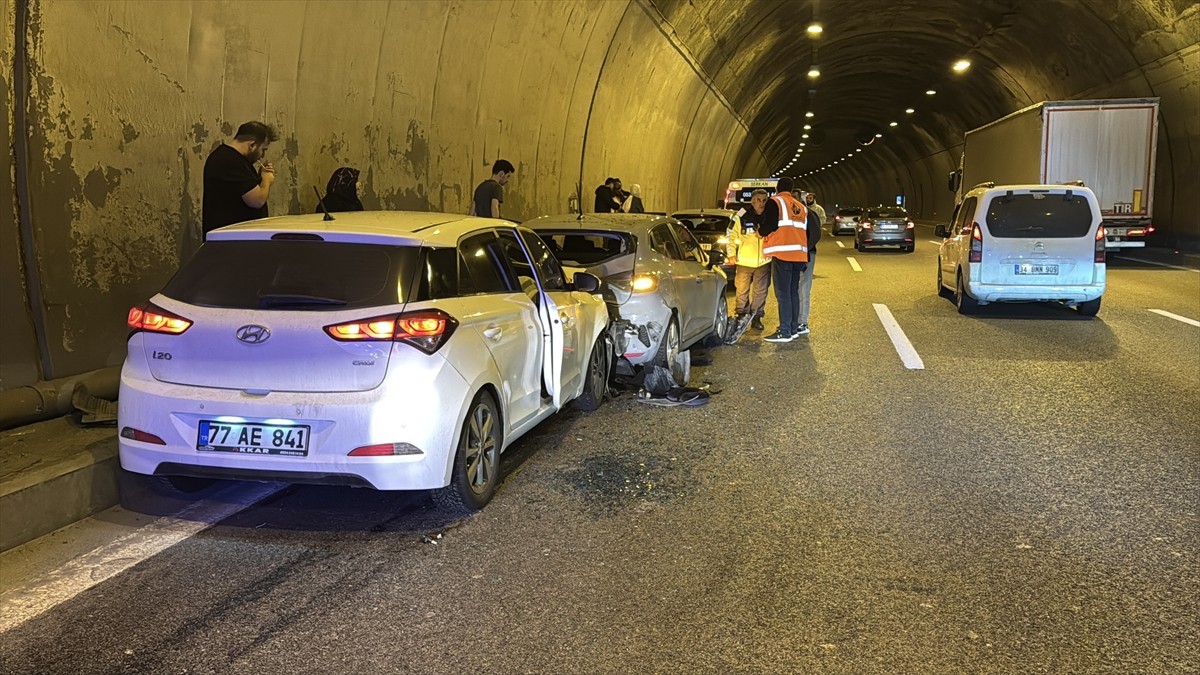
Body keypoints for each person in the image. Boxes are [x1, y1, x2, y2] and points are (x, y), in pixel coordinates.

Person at [202, 121, 280, 238]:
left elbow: (242, 189)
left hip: (234, 239)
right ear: (252, 145)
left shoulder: (232, 159)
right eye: (263, 149)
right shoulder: (231, 161)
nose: (262, 156)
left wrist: (259, 178)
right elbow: (256, 200)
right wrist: (266, 180)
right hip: (231, 242)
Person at [757, 177, 809, 343]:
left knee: (783, 294)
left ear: (777, 188)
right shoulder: (800, 207)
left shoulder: (775, 202)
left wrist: (760, 233)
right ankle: (793, 328)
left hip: (782, 254)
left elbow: (771, 224)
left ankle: (784, 331)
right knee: (793, 292)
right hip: (799, 255)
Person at [726, 189, 772, 334]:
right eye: (759, 200)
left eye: (765, 200)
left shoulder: (770, 217)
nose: (762, 203)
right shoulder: (741, 215)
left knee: (761, 291)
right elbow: (730, 236)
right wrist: (731, 254)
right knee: (741, 290)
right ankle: (741, 314)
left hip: (764, 262)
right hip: (744, 261)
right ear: (752, 201)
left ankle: (756, 317)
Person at [793, 190, 824, 335]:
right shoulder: (786, 214)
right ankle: (793, 321)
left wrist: (805, 250)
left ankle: (802, 322)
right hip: (790, 256)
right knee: (791, 289)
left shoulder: (809, 214)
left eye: (795, 198)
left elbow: (816, 234)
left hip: (806, 255)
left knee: (804, 288)